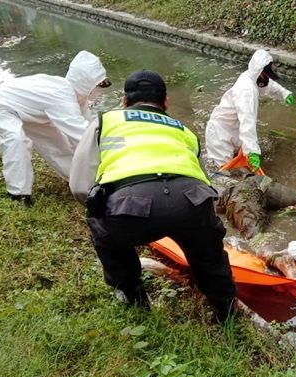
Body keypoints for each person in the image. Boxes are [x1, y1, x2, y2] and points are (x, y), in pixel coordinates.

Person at [69, 69, 237, 322]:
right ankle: (227, 312)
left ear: (124, 102)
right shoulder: (184, 130)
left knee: (106, 234)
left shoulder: (105, 121)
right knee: (209, 255)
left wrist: (104, 208)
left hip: (129, 206)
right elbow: (202, 179)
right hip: (191, 201)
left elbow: (80, 185)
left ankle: (135, 303)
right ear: (166, 103)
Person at [0, 50, 110, 204]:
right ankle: (18, 195)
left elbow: (88, 128)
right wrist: (114, 148)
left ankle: (84, 182)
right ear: (86, 83)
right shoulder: (61, 96)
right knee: (16, 140)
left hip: (33, 112)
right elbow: (83, 135)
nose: (101, 89)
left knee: (60, 146)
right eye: (99, 84)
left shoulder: (77, 98)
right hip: (3, 105)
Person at [205, 49, 294, 173]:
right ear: (259, 72)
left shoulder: (252, 77)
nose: (267, 80)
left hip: (232, 129)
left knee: (239, 166)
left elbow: (269, 86)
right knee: (223, 174)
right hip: (219, 135)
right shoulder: (246, 91)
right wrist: (252, 152)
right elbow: (248, 122)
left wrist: (284, 94)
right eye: (266, 76)